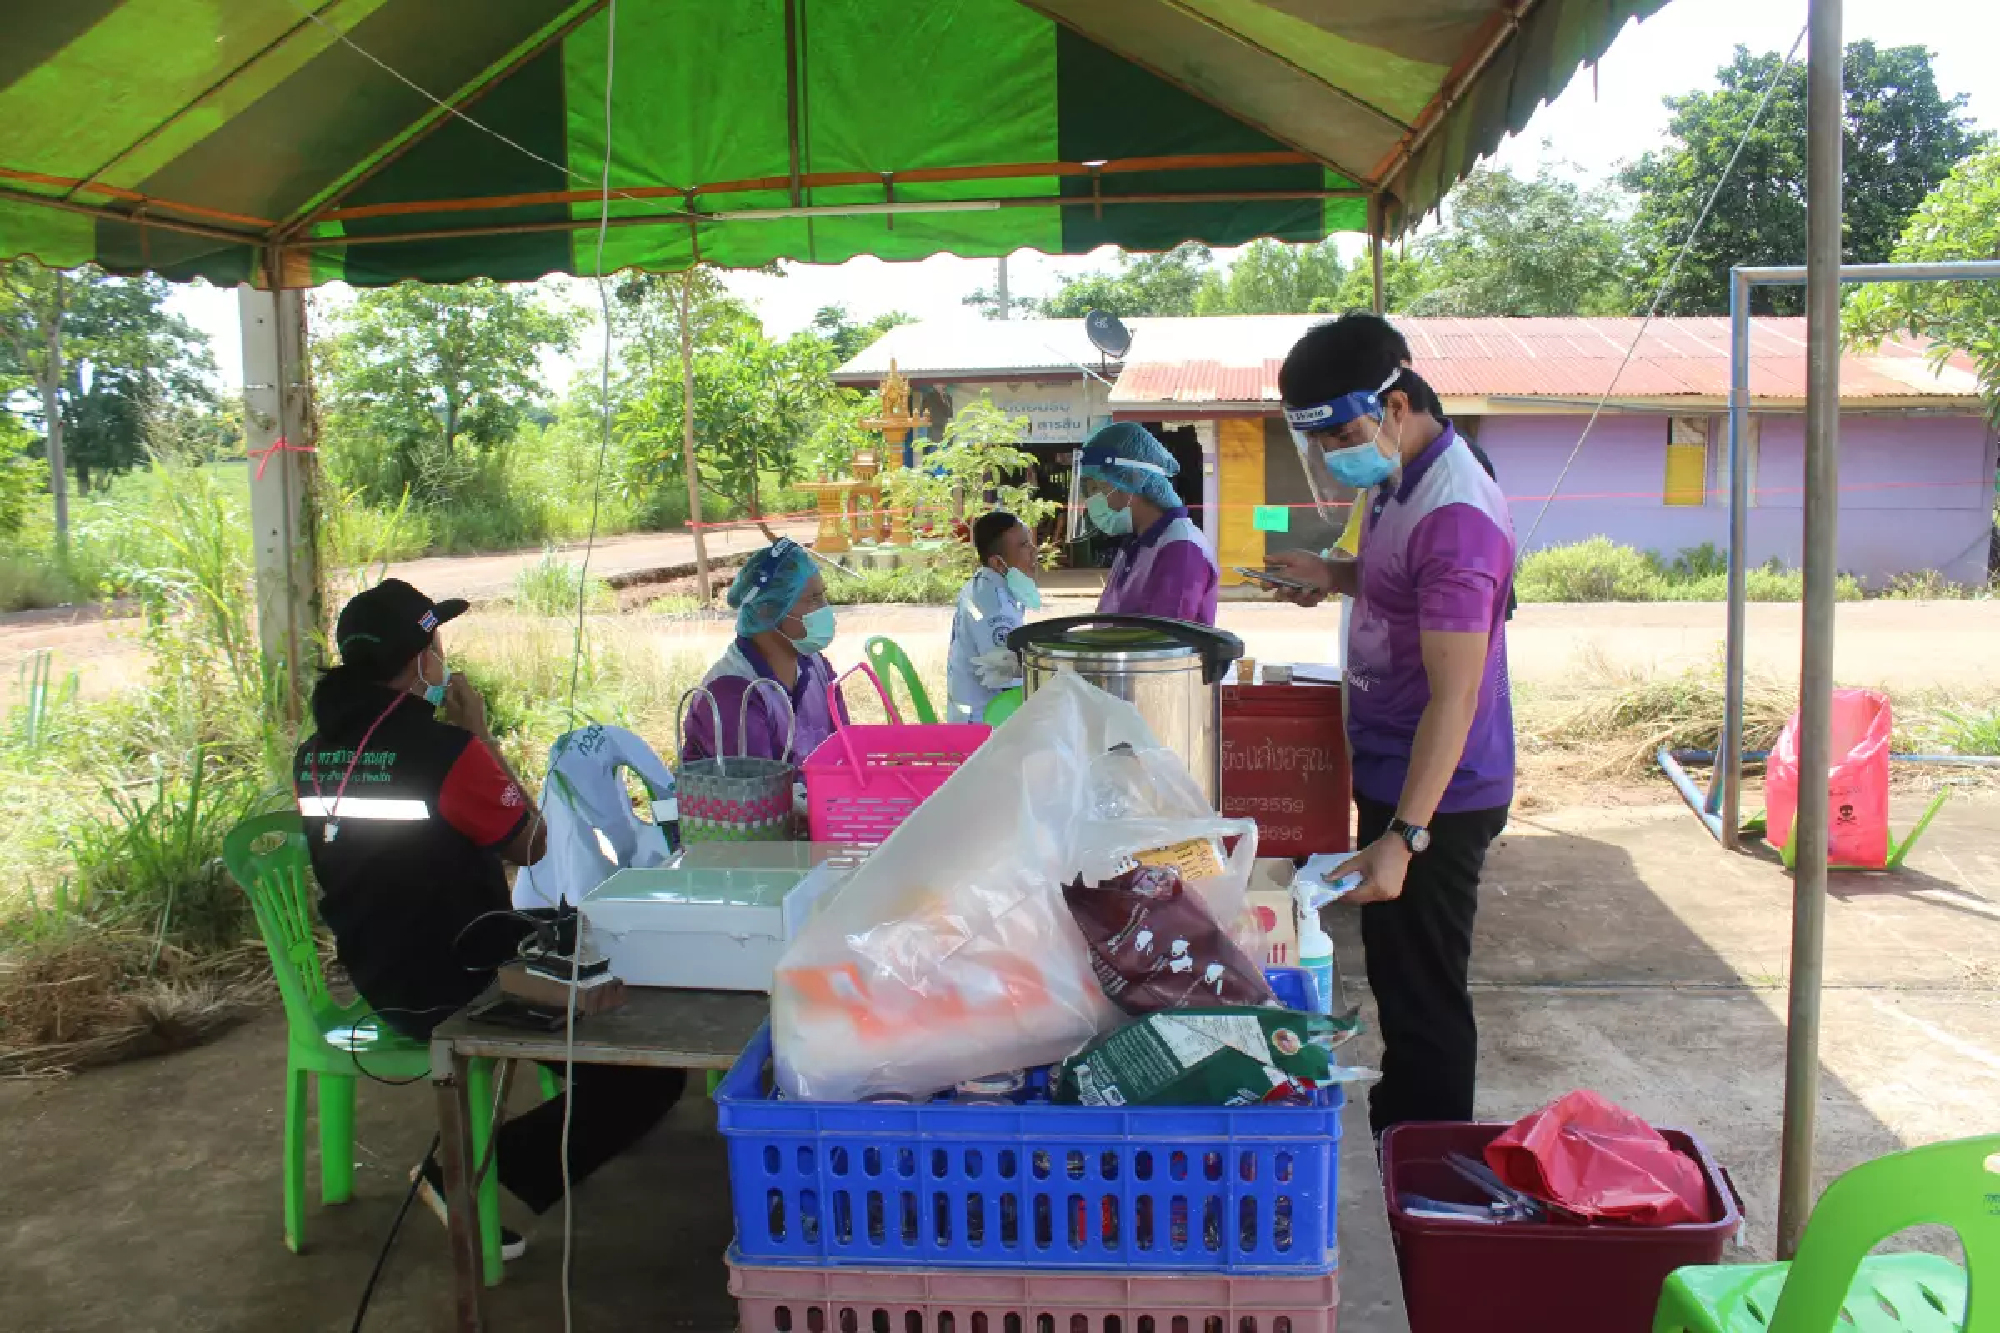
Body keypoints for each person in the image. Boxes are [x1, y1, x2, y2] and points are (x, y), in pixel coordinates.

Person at [293, 578, 684, 1255]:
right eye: (436, 644)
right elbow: (533, 847)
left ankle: (521, 1133)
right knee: (650, 1067)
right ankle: (465, 1172)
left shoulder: (313, 754)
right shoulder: (445, 752)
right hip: (461, 975)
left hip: (374, 966)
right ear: (422, 658)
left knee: (598, 1007)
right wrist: (478, 737)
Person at [1265, 314, 1516, 1136]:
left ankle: (1430, 1165)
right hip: (1391, 767)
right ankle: (1397, 1135)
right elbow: (1392, 583)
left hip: (1439, 792)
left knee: (1425, 995)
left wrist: (1406, 836)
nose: (1341, 454)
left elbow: (1457, 694)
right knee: (1397, 976)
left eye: (1344, 431)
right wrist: (1330, 575)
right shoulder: (1399, 475)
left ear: (1397, 403)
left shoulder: (1456, 516)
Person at [682, 537, 847, 764]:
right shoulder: (733, 694)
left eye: (823, 596)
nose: (825, 609)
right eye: (813, 599)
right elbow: (756, 792)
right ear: (768, 611)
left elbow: (848, 750)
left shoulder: (815, 666)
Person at [1077, 422, 1219, 625]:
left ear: (1132, 479)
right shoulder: (1138, 542)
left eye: (1096, 488)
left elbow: (1162, 640)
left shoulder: (1181, 547)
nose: (1091, 501)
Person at [946, 511, 1040, 723]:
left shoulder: (986, 585)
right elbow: (1005, 676)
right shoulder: (993, 605)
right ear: (998, 563)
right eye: (1024, 545)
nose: (1034, 552)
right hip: (982, 727)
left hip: (981, 715)